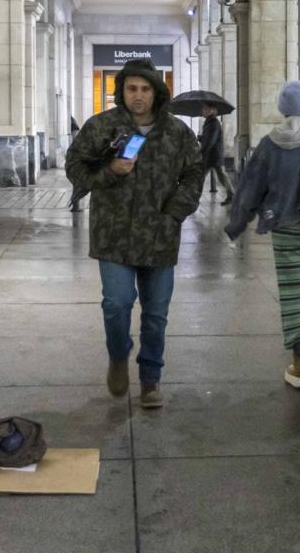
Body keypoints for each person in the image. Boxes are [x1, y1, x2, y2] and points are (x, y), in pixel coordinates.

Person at [65, 58, 205, 408]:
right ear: (121, 90)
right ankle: (117, 355)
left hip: (159, 236)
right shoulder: (102, 127)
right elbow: (75, 168)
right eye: (131, 89)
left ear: (156, 92)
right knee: (116, 303)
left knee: (156, 313)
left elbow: (194, 173)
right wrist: (111, 170)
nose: (138, 96)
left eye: (145, 89)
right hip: (114, 234)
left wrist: (175, 212)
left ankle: (150, 379)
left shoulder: (177, 132)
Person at [225, 80, 300, 389]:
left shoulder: (269, 144)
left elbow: (250, 187)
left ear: (282, 107)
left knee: (294, 295)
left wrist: (237, 222)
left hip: (285, 227)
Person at [198, 105, 234, 205]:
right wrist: (201, 137)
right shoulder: (209, 122)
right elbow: (208, 138)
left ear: (211, 111)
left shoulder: (214, 123)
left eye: (204, 109)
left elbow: (211, 140)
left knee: (221, 175)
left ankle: (232, 196)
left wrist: (202, 151)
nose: (202, 110)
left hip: (214, 154)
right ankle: (194, 197)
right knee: (201, 176)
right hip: (210, 155)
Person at [68, 116, 88, 212]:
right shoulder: (78, 142)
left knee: (77, 187)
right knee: (77, 187)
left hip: (78, 167)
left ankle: (75, 205)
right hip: (78, 168)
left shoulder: (77, 142)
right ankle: (75, 205)